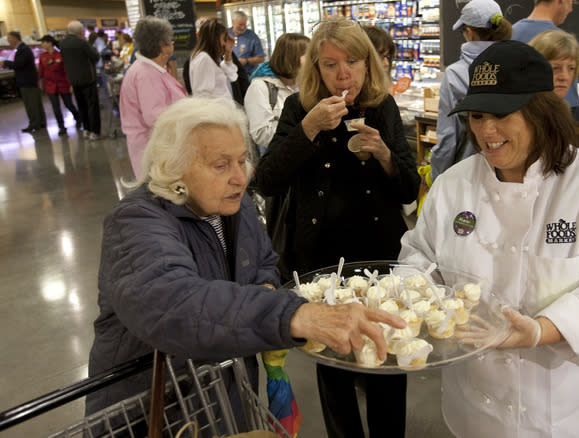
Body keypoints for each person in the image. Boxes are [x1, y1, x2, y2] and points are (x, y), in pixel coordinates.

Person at [86, 96, 406, 420]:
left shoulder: (237, 206)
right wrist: (293, 314)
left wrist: (266, 289)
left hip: (223, 397)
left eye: (242, 161)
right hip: (157, 412)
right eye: (221, 164)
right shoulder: (136, 221)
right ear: (173, 166)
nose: (240, 177)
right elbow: (173, 303)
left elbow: (264, 262)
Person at [399, 40, 579, 437]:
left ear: (541, 112)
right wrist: (405, 300)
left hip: (564, 413)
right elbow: (420, 256)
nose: (486, 131)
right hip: (474, 406)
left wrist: (538, 330)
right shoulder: (453, 186)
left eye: (501, 114)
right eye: (477, 115)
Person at [255, 18, 419, 438]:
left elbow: (408, 186)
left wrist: (383, 153)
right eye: (330, 64)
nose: (342, 73)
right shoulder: (299, 109)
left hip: (379, 259)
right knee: (333, 367)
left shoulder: (382, 106)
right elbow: (267, 179)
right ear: (316, 69)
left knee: (384, 358)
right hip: (321, 261)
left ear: (368, 65)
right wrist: (309, 128)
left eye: (352, 61)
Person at [431, 0, 512, 181]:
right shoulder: (517, 65)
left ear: (469, 32)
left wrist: (436, 177)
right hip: (512, 170)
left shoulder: (456, 74)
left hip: (469, 174)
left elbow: (448, 140)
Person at [119, 16, 187, 177]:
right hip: (154, 150)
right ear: (162, 46)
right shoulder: (146, 74)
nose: (173, 44)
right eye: (171, 40)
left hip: (157, 148)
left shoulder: (150, 69)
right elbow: (155, 117)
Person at [245, 32, 309, 155]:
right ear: (293, 58)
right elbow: (260, 133)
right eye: (309, 55)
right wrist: (302, 131)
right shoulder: (260, 87)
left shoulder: (302, 84)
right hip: (277, 161)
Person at [512, 0, 579, 113]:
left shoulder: (508, 35)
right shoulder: (564, 44)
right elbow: (569, 109)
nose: (571, 9)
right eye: (572, 2)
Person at [529, 29, 579, 122]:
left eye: (571, 68)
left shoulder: (555, 110)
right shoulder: (522, 117)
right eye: (555, 68)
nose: (564, 77)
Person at [60, 20, 102, 140]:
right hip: (88, 79)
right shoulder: (82, 43)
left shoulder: (62, 44)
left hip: (74, 80)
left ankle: (86, 129)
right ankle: (94, 131)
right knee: (92, 105)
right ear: (80, 31)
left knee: (81, 105)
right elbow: (95, 56)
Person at [38, 35, 81, 136]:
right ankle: (61, 126)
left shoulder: (60, 55)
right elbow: (41, 71)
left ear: (49, 43)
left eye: (43, 42)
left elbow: (67, 71)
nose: (42, 45)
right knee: (55, 107)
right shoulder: (42, 56)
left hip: (63, 84)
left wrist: (71, 84)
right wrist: (39, 83)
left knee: (68, 104)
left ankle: (78, 117)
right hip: (50, 86)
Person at [3, 31, 45, 133]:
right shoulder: (21, 49)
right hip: (27, 81)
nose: (8, 41)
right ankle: (40, 123)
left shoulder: (23, 49)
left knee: (31, 104)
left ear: (14, 38)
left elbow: (19, 64)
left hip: (27, 81)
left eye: (9, 38)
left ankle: (35, 124)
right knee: (34, 103)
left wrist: (5, 62)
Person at [189, 19, 238, 100]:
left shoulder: (208, 57)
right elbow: (203, 95)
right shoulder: (204, 58)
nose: (224, 43)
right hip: (215, 110)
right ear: (214, 39)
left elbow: (231, 75)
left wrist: (228, 53)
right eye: (223, 39)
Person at [229, 10, 266, 76]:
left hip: (247, 75)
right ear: (233, 22)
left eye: (245, 24)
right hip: (230, 75)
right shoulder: (226, 34)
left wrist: (246, 61)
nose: (243, 27)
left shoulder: (252, 36)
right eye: (240, 25)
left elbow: (261, 58)